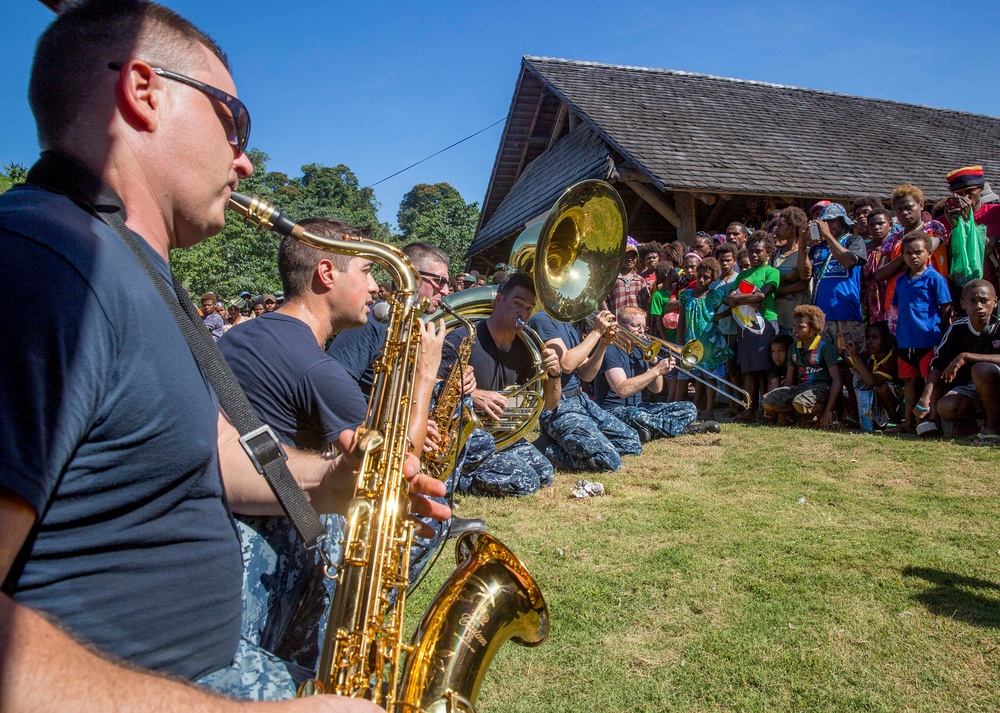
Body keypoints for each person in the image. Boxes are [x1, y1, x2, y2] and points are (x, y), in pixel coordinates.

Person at [0, 2, 446, 710]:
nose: (243, 158)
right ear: (143, 91)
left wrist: (337, 478)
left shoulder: (131, 272)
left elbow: (206, 453)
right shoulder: (48, 264)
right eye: (232, 120)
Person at [219, 217, 448, 676]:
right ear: (326, 274)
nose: (376, 288)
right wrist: (425, 376)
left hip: (227, 535)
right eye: (366, 271)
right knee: (424, 521)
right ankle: (322, 650)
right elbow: (399, 465)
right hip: (269, 545)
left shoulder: (244, 335)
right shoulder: (315, 367)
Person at [438, 273, 561, 496]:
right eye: (517, 303)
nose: (522, 312)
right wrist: (472, 395)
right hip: (466, 437)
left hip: (501, 436)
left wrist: (554, 374)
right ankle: (461, 479)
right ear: (498, 300)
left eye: (528, 308)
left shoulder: (526, 347)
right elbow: (433, 383)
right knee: (525, 482)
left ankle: (479, 468)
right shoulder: (463, 338)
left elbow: (551, 404)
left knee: (544, 473)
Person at [327, 242, 451, 397]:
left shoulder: (416, 326)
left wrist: (448, 384)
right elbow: (332, 389)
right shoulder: (370, 321)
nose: (446, 291)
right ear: (413, 277)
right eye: (441, 281)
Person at [529, 306, 642, 472]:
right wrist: (596, 332)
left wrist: (603, 343)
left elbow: (587, 374)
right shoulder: (542, 320)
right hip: (559, 405)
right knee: (608, 461)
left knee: (631, 442)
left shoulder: (569, 326)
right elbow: (566, 364)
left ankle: (563, 443)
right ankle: (541, 450)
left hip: (581, 400)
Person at [799, 202, 867, 423]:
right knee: (830, 367)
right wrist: (802, 247)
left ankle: (860, 412)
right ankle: (838, 412)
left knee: (853, 364)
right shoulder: (818, 248)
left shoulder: (854, 241)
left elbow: (849, 261)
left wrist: (828, 237)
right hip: (822, 317)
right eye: (824, 222)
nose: (828, 225)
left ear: (843, 222)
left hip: (846, 313)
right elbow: (804, 273)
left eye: (832, 221)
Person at [594, 306, 705, 440]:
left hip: (638, 407)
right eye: (636, 326)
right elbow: (622, 389)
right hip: (612, 411)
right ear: (621, 325)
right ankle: (680, 429)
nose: (641, 332)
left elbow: (656, 389)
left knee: (689, 408)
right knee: (637, 416)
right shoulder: (610, 350)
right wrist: (656, 370)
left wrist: (654, 364)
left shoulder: (640, 350)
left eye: (644, 327)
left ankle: (648, 431)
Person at [916, 279, 1000, 443]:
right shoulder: (957, 328)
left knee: (981, 369)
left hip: (996, 384)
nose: (978, 306)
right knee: (947, 406)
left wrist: (966, 356)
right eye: (972, 301)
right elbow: (938, 365)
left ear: (995, 302)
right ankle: (970, 426)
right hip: (974, 388)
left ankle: (993, 428)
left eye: (984, 300)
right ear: (963, 304)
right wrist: (924, 399)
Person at [891, 231, 953, 434]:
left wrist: (938, 330)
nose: (913, 256)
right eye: (908, 253)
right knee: (909, 381)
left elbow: (946, 308)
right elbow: (899, 307)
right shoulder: (901, 280)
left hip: (928, 338)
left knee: (930, 382)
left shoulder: (935, 278)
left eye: (918, 252)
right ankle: (909, 422)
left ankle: (933, 422)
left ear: (929, 253)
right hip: (904, 340)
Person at [727, 232, 780, 422]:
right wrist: (748, 299)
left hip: (765, 323)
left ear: (768, 252)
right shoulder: (743, 274)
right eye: (751, 251)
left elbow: (762, 296)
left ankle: (767, 410)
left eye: (759, 251)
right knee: (748, 369)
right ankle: (749, 409)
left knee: (765, 368)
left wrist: (740, 298)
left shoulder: (772, 272)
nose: (754, 255)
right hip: (746, 325)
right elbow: (729, 300)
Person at [761, 305, 842, 429]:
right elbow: (789, 380)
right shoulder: (794, 348)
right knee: (767, 402)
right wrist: (781, 399)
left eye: (801, 327)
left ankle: (820, 413)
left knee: (799, 403)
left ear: (814, 328)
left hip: (820, 388)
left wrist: (828, 410)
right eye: (794, 326)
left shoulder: (825, 347)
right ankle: (797, 416)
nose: (795, 330)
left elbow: (837, 379)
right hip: (801, 388)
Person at [676, 257, 732, 420]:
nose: (701, 280)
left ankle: (709, 409)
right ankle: (677, 406)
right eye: (700, 275)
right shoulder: (686, 295)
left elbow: (733, 306)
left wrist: (719, 316)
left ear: (713, 279)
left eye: (707, 277)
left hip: (710, 343)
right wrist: (679, 341)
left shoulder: (715, 295)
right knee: (684, 375)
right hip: (691, 341)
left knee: (710, 377)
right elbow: (681, 321)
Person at [842, 321, 901, 431]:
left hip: (892, 398)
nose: (869, 341)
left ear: (887, 341)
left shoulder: (891, 359)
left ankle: (895, 420)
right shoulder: (868, 355)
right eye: (868, 337)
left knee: (882, 388)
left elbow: (872, 382)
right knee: (847, 374)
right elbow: (843, 363)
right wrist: (841, 350)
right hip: (872, 397)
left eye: (874, 338)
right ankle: (855, 413)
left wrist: (856, 357)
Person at [770, 207, 810, 335]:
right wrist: (788, 276)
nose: (777, 229)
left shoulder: (804, 253)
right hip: (776, 320)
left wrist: (776, 290)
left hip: (796, 322)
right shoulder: (775, 255)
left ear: (792, 227)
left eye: (781, 225)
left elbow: (803, 283)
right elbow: (768, 284)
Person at [602, 236, 647, 315]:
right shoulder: (612, 279)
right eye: (626, 256)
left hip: (636, 324)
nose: (630, 259)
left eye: (633, 256)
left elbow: (646, 303)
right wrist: (608, 316)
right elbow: (601, 299)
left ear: (637, 258)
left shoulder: (640, 280)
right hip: (616, 324)